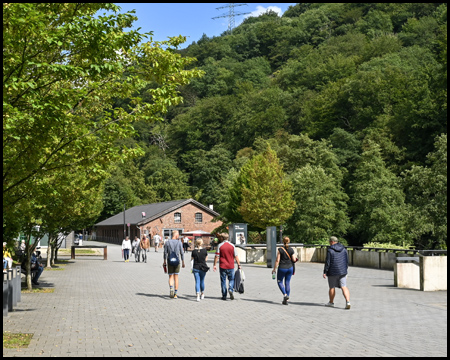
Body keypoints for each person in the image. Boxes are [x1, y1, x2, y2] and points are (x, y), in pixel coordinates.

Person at [323, 236, 351, 309]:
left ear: (332, 242)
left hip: (332, 271)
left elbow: (328, 262)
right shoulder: (344, 249)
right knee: (344, 286)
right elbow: (347, 260)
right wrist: (345, 270)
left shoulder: (330, 250)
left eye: (329, 242)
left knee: (332, 287)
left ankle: (331, 302)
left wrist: (325, 271)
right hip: (342, 271)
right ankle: (348, 301)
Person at [213, 233, 242, 300]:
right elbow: (236, 256)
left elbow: (217, 256)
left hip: (222, 266)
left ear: (222, 238)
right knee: (231, 279)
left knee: (223, 280)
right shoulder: (232, 246)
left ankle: (224, 295)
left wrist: (214, 265)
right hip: (231, 266)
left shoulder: (220, 245)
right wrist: (239, 265)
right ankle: (231, 289)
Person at [272, 237, 296, 305]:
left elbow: (277, 260)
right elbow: (294, 260)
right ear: (289, 241)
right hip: (290, 268)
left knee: (279, 281)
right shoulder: (291, 250)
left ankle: (285, 295)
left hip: (282, 268)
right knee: (287, 282)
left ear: (283, 241)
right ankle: (286, 300)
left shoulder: (280, 249)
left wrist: (274, 269)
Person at [163, 230, 185, 299]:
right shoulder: (179, 242)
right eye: (178, 234)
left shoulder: (167, 242)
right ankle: (175, 293)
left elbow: (165, 253)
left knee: (170, 276)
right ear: (176, 235)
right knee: (176, 277)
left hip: (169, 261)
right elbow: (182, 253)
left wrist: (164, 261)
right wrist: (183, 262)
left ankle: (171, 288)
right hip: (177, 261)